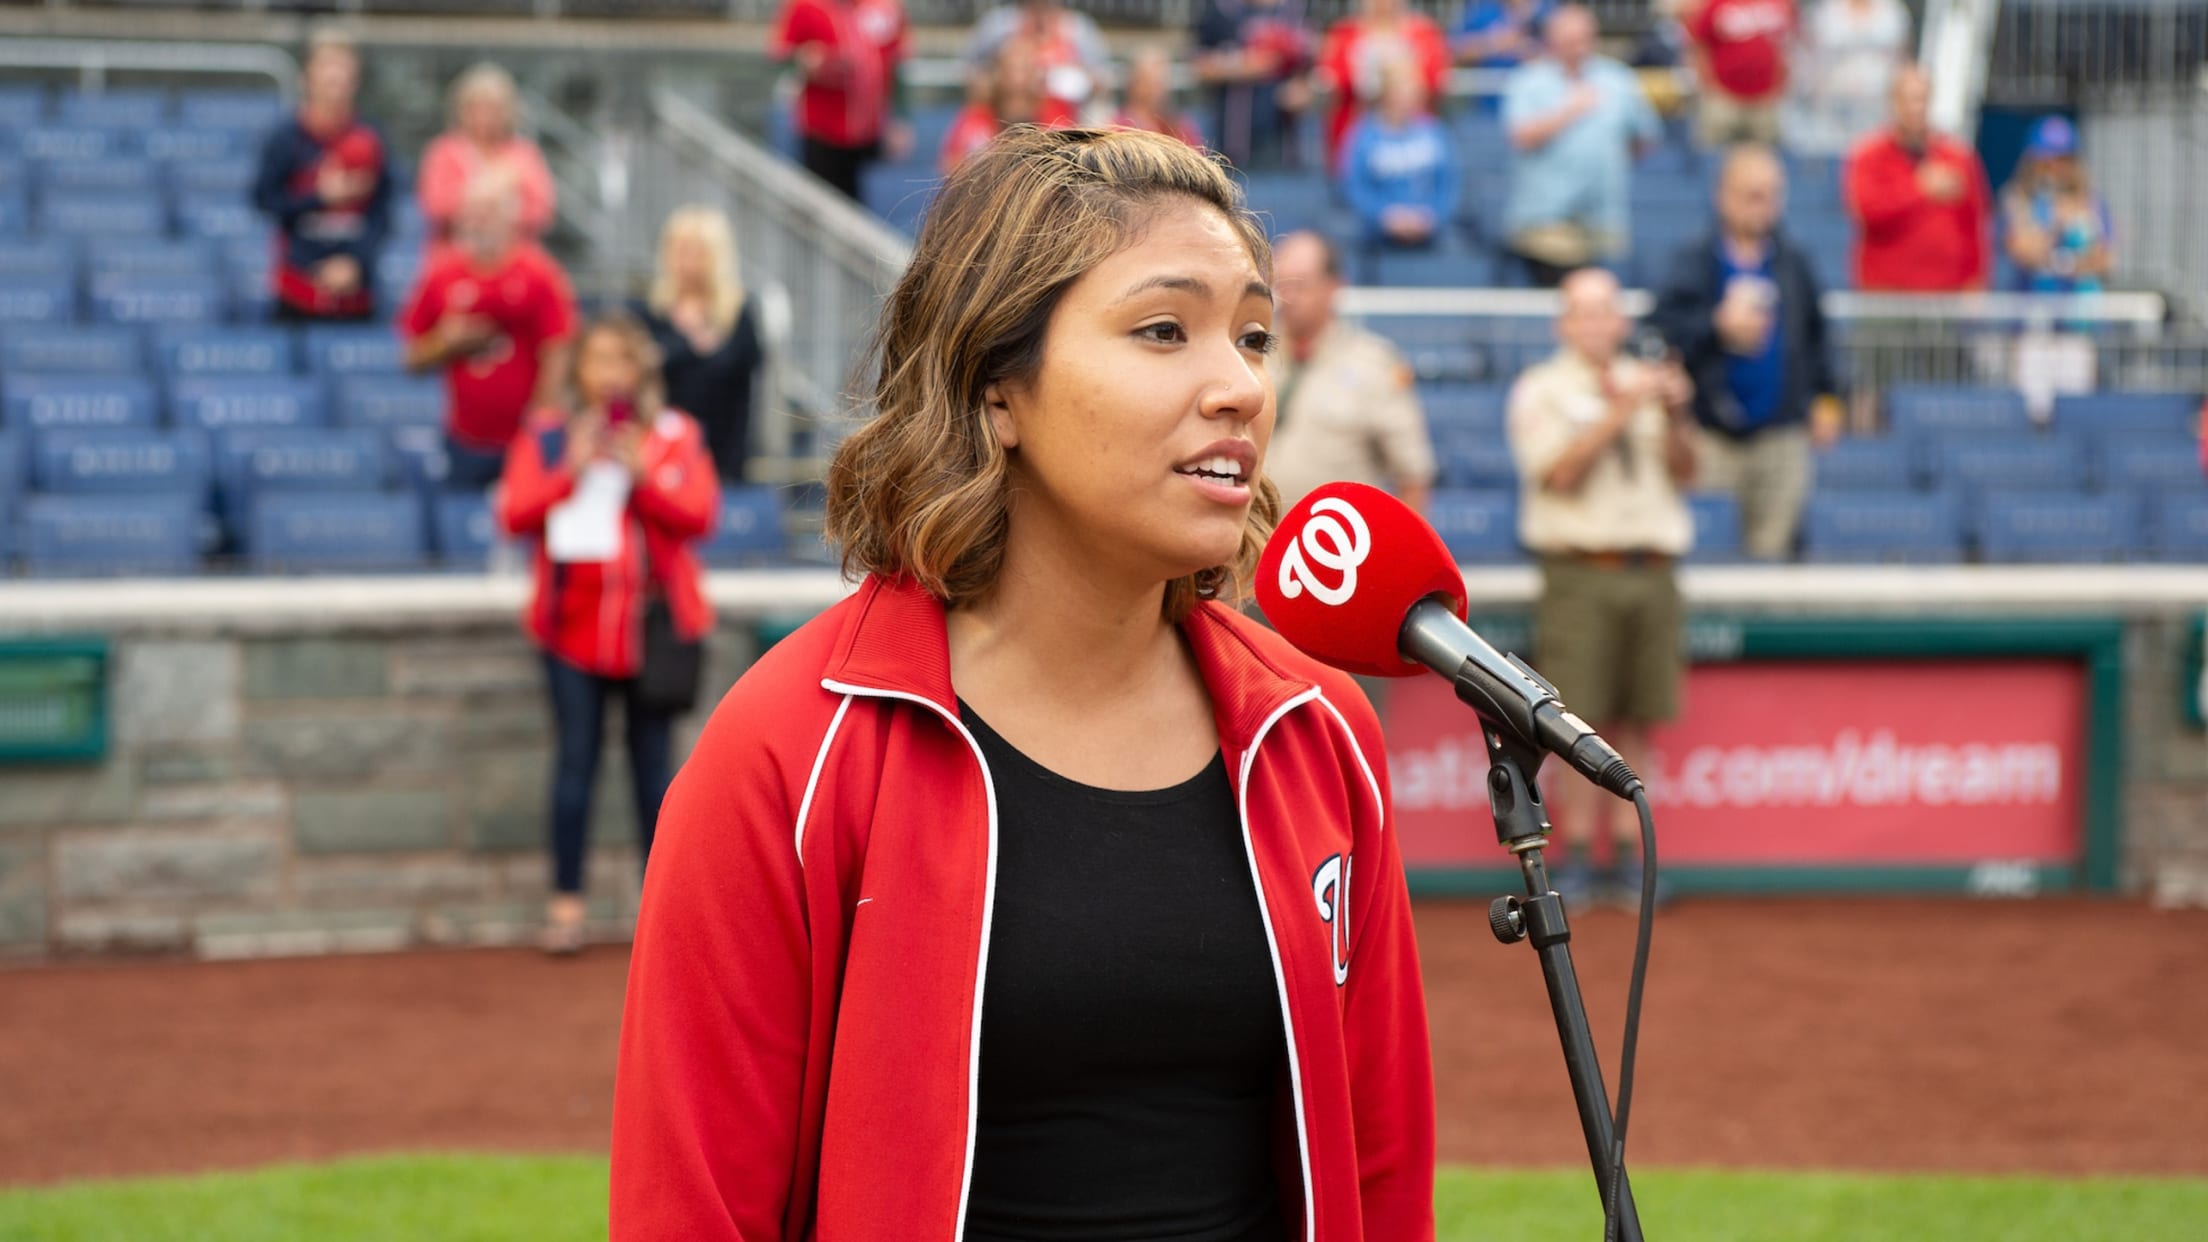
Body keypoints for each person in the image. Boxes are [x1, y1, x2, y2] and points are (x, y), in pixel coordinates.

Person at [611, 127, 1435, 1241]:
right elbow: (691, 1208)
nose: (1239, 385)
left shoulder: (1321, 731)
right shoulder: (788, 752)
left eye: (1251, 334)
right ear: (998, 388)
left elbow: (1383, 1184)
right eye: (1163, 330)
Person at [496, 312, 720, 956]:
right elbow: (515, 512)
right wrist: (569, 467)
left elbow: (700, 514)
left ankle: (660, 913)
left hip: (652, 634)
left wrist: (644, 476)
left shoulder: (673, 435)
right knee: (575, 765)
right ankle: (567, 905)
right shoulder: (546, 435)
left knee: (656, 775)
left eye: (622, 362)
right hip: (570, 632)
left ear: (640, 370)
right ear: (581, 370)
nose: (610, 376)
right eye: (598, 361)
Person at [1506, 268, 1695, 909]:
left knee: (1640, 716)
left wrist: (1674, 413)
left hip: (1653, 566)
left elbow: (1688, 471)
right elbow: (1560, 473)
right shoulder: (1542, 389)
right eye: (1583, 312)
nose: (1597, 323)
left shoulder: (1645, 387)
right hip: (1581, 570)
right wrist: (1626, 407)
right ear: (1564, 323)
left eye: (1607, 311)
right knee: (1576, 719)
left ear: (1621, 320)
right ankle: (1581, 857)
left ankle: (1630, 860)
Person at [1653, 144, 1840, 559]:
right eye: (1751, 194)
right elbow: (1664, 330)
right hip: (1710, 437)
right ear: (1723, 194)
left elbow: (1817, 337)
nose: (1762, 206)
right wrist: (1717, 326)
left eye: (1771, 195)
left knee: (1772, 556)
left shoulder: (1794, 262)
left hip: (1781, 436)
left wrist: (1827, 400)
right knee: (1707, 557)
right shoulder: (1694, 260)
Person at [401, 171, 579, 491]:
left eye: (490, 210)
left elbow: (559, 351)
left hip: (524, 439)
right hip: (465, 437)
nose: (480, 221)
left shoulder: (540, 275)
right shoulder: (441, 275)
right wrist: (446, 343)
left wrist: (539, 423)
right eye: (473, 211)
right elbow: (411, 359)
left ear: (512, 215)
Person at [1266, 231, 1437, 512]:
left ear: (1334, 287)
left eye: (1301, 286)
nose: (1289, 298)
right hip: (1255, 541)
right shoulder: (1252, 353)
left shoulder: (1373, 363)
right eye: (1281, 286)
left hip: (1336, 545)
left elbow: (1412, 473)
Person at [1502, 6, 1662, 286]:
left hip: (1603, 217)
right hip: (1547, 221)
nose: (1577, 48)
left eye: (1583, 39)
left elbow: (1644, 136)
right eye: (1569, 40)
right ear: (1551, 40)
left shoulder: (1617, 78)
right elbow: (1520, 137)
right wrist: (1569, 111)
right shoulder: (1528, 81)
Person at [251, 31, 392, 323]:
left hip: (356, 295)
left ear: (355, 80)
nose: (335, 79)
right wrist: (320, 198)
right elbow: (264, 200)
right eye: (328, 68)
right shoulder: (285, 138)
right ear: (307, 77)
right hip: (296, 292)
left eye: (343, 71)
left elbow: (383, 213)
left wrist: (355, 261)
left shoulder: (371, 138)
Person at [635, 206, 764, 484]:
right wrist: (691, 346)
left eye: (699, 252)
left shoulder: (738, 311)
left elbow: (746, 364)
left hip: (724, 446)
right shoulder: (653, 311)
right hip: (666, 447)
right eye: (681, 250)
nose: (689, 262)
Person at [1843, 64, 1991, 292]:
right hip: (1887, 295)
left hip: (1946, 295)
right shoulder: (1868, 156)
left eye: (1921, 99)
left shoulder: (1958, 158)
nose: (1915, 108)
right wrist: (1920, 189)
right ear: (1893, 102)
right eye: (1907, 99)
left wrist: (1976, 282)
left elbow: (1974, 225)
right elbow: (1868, 212)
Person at [772, 0, 911, 201]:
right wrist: (804, 61)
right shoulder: (805, 7)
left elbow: (897, 66)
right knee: (822, 204)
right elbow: (779, 60)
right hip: (822, 132)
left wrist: (901, 120)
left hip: (871, 132)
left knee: (865, 207)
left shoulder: (884, 8)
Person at [415, 63, 557, 249]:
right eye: (476, 107)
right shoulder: (443, 151)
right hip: (455, 256)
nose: (484, 116)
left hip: (514, 258)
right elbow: (433, 205)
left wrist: (498, 213)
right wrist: (485, 199)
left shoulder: (524, 154)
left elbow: (541, 211)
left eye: (493, 108)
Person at [1316, 0, 1450, 171]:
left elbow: (1436, 84)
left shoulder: (1425, 33)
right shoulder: (1343, 34)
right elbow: (1329, 83)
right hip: (1352, 142)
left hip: (1413, 146)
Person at [1340, 60, 1459, 252]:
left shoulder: (1434, 131)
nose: (1408, 98)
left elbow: (1448, 183)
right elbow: (1355, 186)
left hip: (1430, 232)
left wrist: (1431, 216)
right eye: (1401, 92)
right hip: (1376, 237)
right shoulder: (1363, 135)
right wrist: (1385, 217)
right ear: (1385, 95)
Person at [1191, 0, 1316, 170]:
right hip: (1230, 147)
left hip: (1284, 148)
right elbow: (1199, 66)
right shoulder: (1222, 10)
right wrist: (1244, 65)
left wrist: (1302, 91)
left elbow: (1314, 73)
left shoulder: (1296, 12)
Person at [2001, 116, 2113, 296]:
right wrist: (2056, 225)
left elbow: (2105, 260)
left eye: (2061, 160)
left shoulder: (2092, 202)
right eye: (2046, 161)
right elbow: (2022, 252)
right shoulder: (2018, 199)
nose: (2054, 168)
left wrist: (2080, 238)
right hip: (2032, 310)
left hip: (2079, 312)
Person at [940, 35, 1078, 173]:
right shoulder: (975, 118)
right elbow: (950, 168)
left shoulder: (1057, 112)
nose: (1017, 80)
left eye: (1025, 68)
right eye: (1010, 68)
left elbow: (1074, 164)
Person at [1798, 0, 1910, 155]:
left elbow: (1902, 64)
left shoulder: (1893, 11)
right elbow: (1809, 64)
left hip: (1878, 111)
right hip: (1832, 113)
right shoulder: (1826, 11)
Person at [963, 0, 1111, 116]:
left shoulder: (1079, 29)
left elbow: (1102, 81)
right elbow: (971, 74)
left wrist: (1075, 80)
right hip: (1003, 119)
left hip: (1068, 117)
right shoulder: (998, 25)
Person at [1684, 0, 1795, 147]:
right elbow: (1698, 45)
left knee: (1765, 159)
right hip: (1723, 96)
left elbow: (1788, 46)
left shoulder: (1778, 5)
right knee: (1715, 159)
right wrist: (1708, 84)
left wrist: (1780, 86)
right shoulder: (1717, 5)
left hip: (1765, 98)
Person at [1113, 48, 1206, 147]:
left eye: (1160, 82)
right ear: (1133, 84)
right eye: (1148, 82)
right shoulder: (1117, 128)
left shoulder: (1180, 126)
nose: (1155, 90)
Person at [1452, 0, 1555, 69]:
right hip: (1492, 95)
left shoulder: (1550, 11)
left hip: (1540, 94)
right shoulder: (1485, 13)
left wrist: (1533, 51)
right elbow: (1454, 51)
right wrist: (1493, 44)